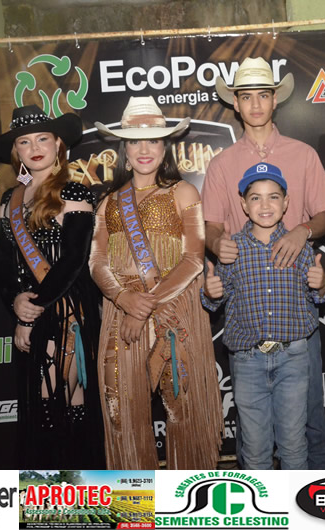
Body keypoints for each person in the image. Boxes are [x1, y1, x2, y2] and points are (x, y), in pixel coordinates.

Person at [203, 57, 325, 469]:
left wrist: (302, 230)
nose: (256, 104)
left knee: (309, 418)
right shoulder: (222, 164)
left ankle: (314, 496)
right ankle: (260, 500)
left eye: (263, 95)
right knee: (253, 433)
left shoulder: (303, 154)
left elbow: (324, 217)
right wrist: (218, 243)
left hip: (294, 307)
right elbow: (212, 226)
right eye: (247, 96)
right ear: (235, 103)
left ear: (275, 99)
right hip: (247, 304)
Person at [89, 96, 222, 469]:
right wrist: (123, 299)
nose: (144, 149)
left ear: (165, 147)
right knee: (120, 412)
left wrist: (144, 306)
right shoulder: (109, 203)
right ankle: (135, 499)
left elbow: (193, 259)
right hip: (122, 316)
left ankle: (190, 495)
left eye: (153, 140)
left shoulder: (184, 192)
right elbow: (97, 262)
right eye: (135, 141)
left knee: (183, 410)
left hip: (175, 314)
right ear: (124, 149)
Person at [0, 105, 104, 469]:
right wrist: (15, 301)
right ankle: (69, 489)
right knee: (59, 404)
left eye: (42, 139)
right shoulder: (10, 199)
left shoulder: (74, 192)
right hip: (32, 311)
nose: (34, 147)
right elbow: (2, 263)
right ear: (16, 151)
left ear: (58, 144)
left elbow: (72, 261)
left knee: (56, 404)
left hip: (67, 311)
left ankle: (70, 487)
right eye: (24, 141)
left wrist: (29, 313)